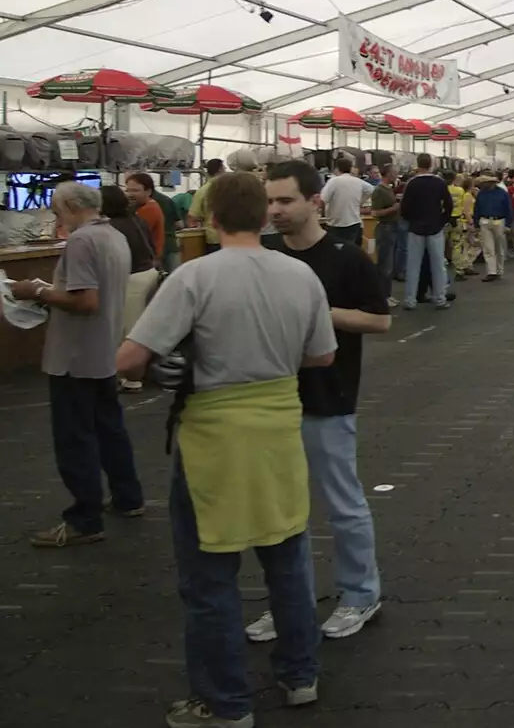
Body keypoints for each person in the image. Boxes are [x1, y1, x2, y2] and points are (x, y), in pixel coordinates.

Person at [116, 172, 334, 728]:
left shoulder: (194, 277)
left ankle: (224, 702)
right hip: (280, 430)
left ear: (209, 216)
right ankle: (300, 675)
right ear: (265, 215)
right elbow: (321, 357)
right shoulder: (301, 275)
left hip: (214, 438)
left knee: (210, 575)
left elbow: (131, 359)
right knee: (287, 558)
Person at [252, 160, 390, 647]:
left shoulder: (345, 258)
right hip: (267, 397)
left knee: (341, 502)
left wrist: (319, 312)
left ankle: (360, 593)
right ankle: (289, 602)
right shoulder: (263, 253)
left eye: (285, 200)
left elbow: (380, 321)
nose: (275, 210)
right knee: (277, 509)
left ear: (315, 202)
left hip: (327, 397)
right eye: (269, 201)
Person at [15, 182, 143, 547]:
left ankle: (85, 519)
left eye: (57, 211)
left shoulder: (82, 241)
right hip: (102, 350)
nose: (57, 218)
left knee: (75, 438)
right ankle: (127, 497)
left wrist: (36, 291)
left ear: (71, 205)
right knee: (109, 429)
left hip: (75, 355)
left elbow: (85, 300)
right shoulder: (113, 236)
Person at [100, 186, 162, 385]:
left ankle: (134, 379)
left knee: (130, 333)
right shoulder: (136, 219)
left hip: (133, 279)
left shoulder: (111, 227)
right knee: (142, 329)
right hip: (149, 274)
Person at [400, 154, 452, 310]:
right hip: (435, 227)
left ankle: (410, 300)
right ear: (431, 165)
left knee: (413, 265)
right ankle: (440, 298)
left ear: (418, 164)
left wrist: (411, 220)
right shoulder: (439, 182)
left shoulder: (411, 183)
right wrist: (442, 220)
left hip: (416, 228)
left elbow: (404, 207)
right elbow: (448, 204)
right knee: (438, 265)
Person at [319, 156, 370, 248]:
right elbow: (371, 190)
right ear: (350, 168)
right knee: (350, 252)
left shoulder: (333, 181)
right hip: (354, 223)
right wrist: (361, 202)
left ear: (337, 168)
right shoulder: (357, 181)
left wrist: (322, 213)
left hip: (336, 224)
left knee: (335, 253)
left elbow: (322, 199)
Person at [369, 166, 401, 307]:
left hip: (392, 228)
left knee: (389, 264)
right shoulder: (379, 191)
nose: (397, 175)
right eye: (394, 173)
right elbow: (375, 212)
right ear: (388, 174)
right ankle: (381, 296)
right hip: (385, 229)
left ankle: (387, 294)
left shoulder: (388, 189)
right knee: (384, 265)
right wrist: (393, 209)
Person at [474, 174, 513, 281]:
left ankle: (499, 270)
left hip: (499, 221)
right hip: (485, 220)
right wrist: (476, 223)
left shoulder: (502, 193)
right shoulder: (482, 193)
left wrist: (508, 224)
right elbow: (477, 209)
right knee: (488, 248)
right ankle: (492, 272)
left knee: (499, 248)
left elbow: (508, 209)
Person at [186, 158, 228, 255]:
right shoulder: (231, 188)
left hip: (213, 238)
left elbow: (193, 216)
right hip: (234, 237)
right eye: (224, 169)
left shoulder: (202, 191)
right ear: (220, 170)